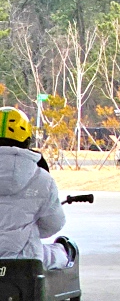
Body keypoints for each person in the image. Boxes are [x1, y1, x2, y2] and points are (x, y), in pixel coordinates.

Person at [0, 109, 74, 269]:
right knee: (62, 252)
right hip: (25, 262)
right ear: (27, 140)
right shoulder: (42, 178)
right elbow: (53, 224)